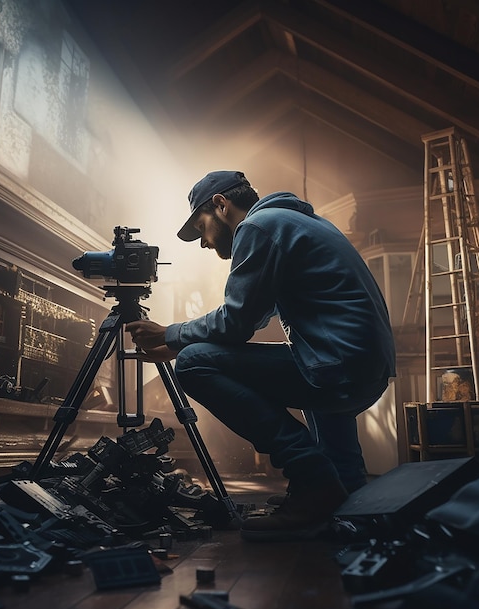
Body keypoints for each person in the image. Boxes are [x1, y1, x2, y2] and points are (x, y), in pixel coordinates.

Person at [125, 170, 396, 542]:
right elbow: (254, 314)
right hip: (362, 367)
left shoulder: (259, 227)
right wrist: (176, 342)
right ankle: (347, 499)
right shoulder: (297, 221)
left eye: (202, 228)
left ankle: (312, 480)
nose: (203, 243)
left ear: (221, 205)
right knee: (299, 367)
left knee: (194, 363)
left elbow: (236, 322)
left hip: (338, 365)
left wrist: (171, 334)